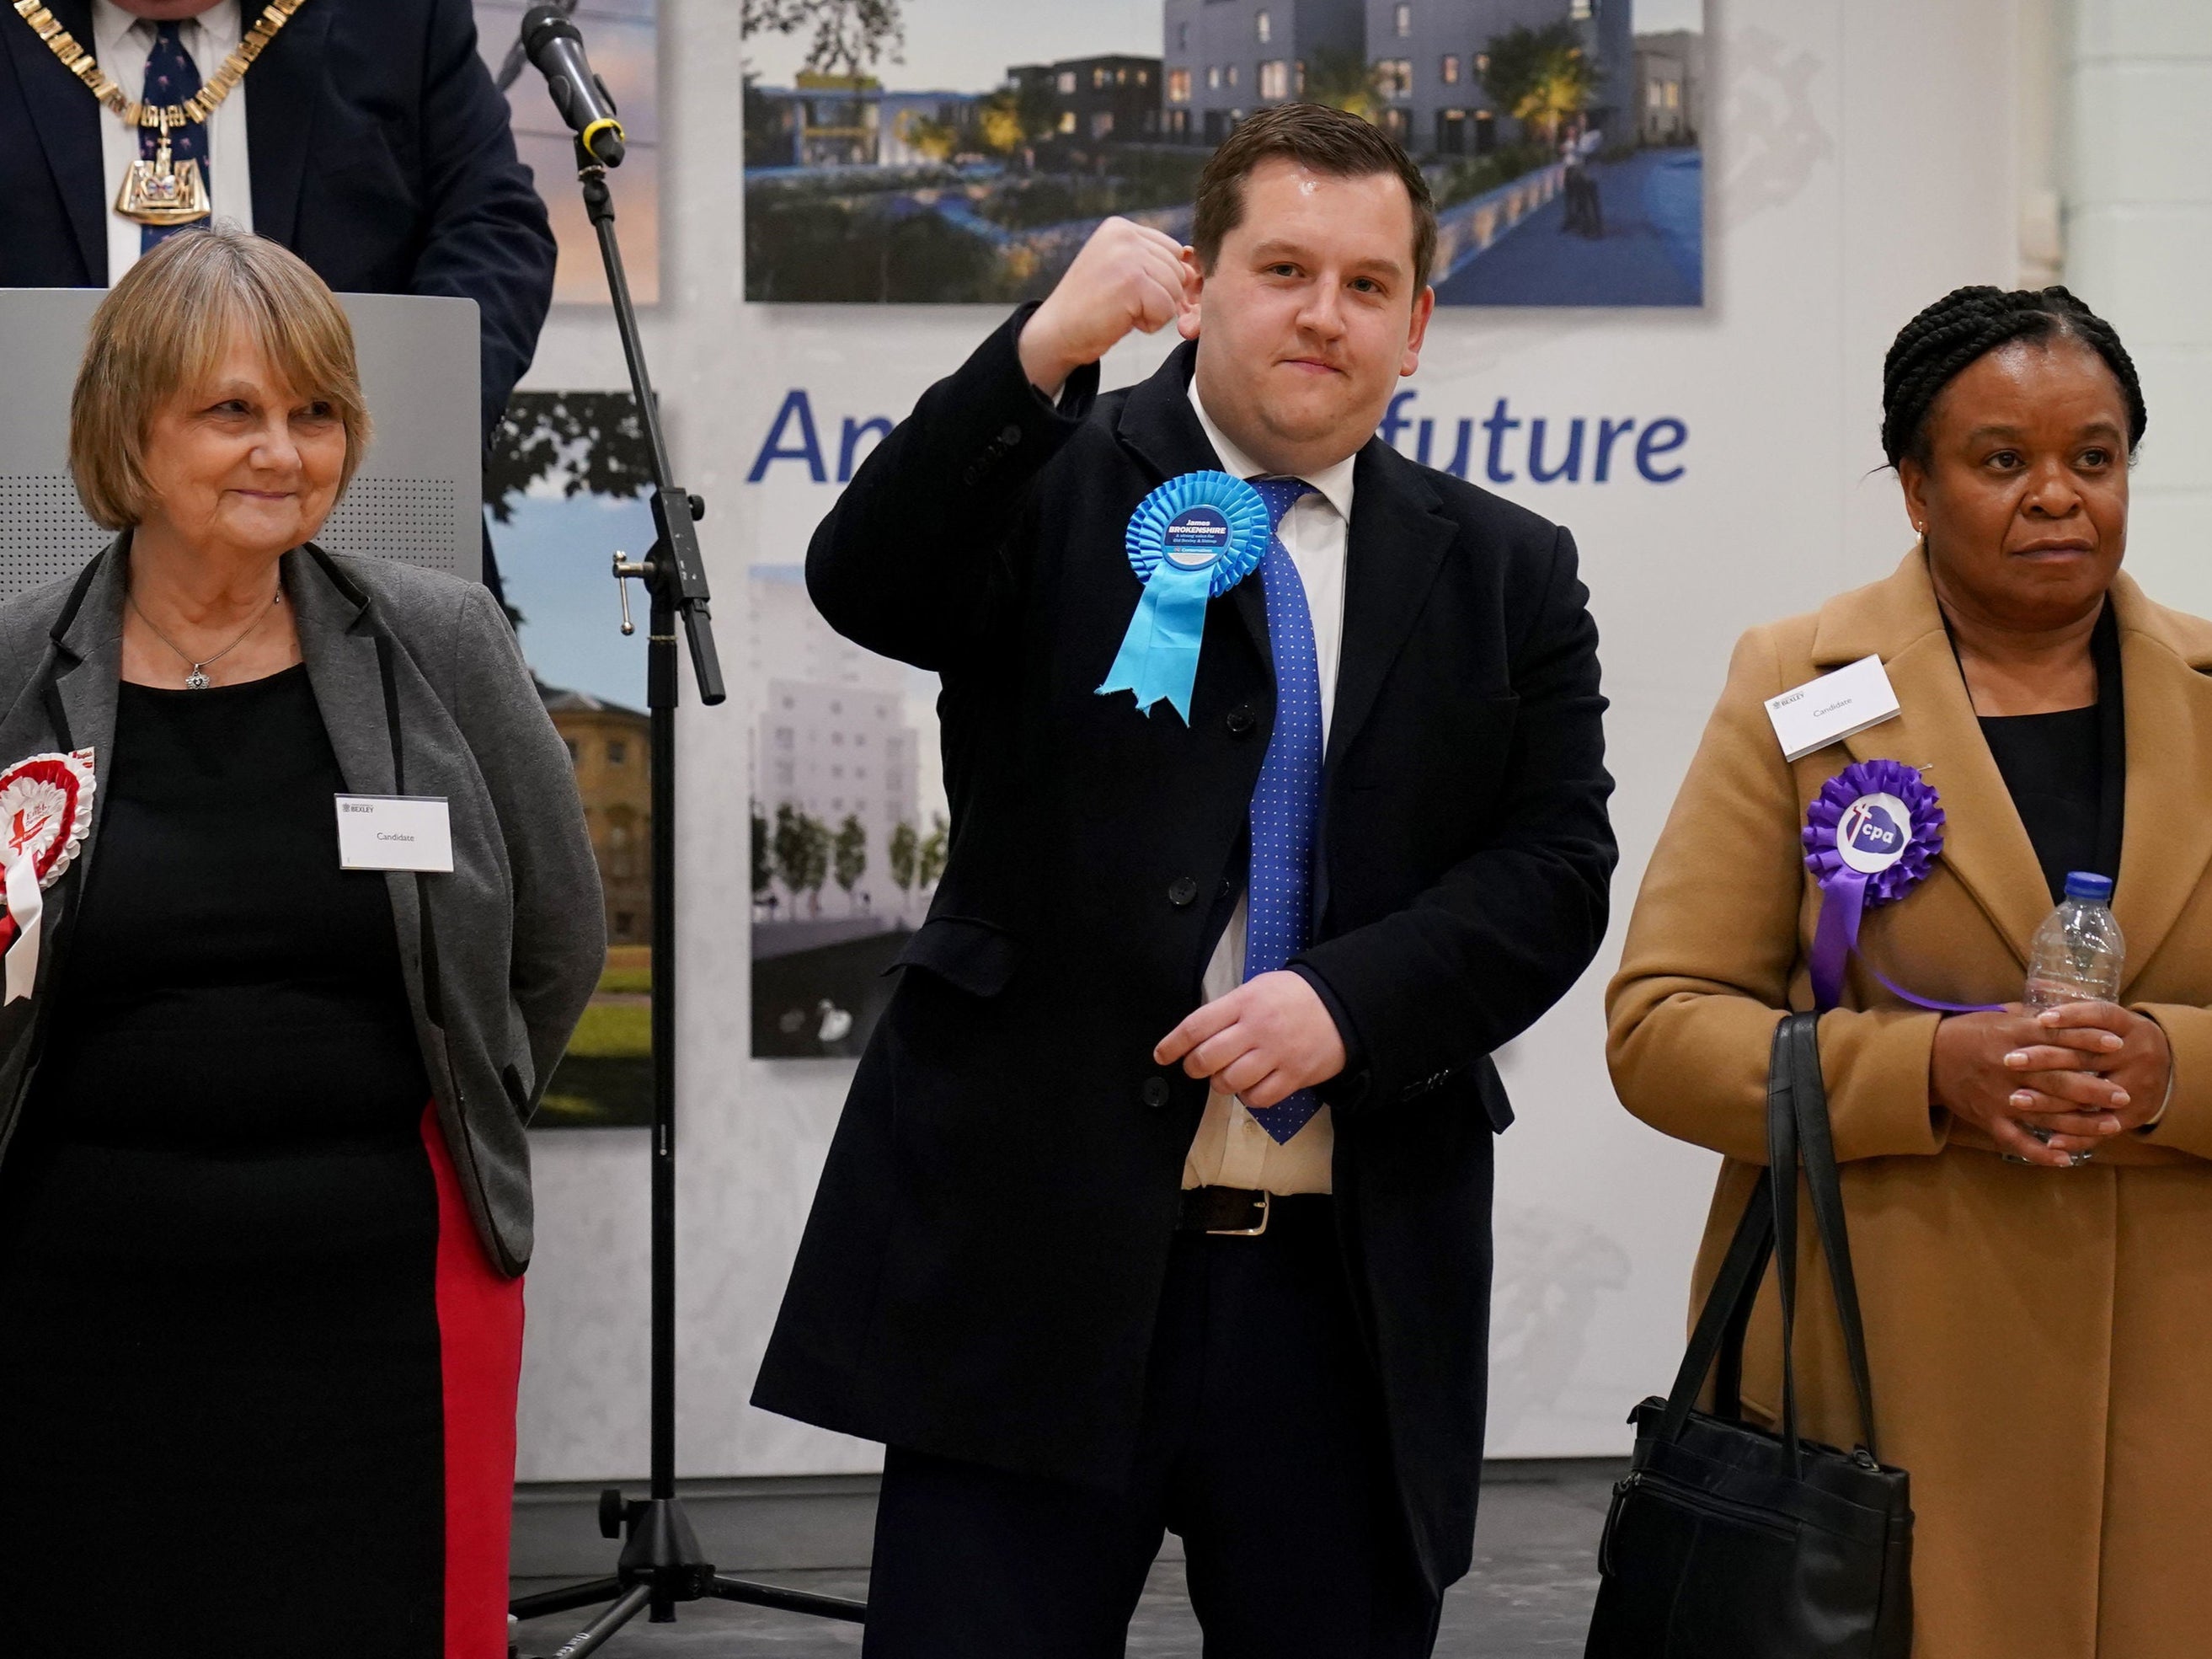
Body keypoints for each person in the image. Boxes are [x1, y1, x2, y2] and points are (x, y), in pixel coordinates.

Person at [755, 103, 1615, 1656]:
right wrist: (1039, 347)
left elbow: (1555, 868)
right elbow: (864, 578)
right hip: (1035, 1259)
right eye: (1283, 266)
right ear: (1196, 285)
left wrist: (1349, 1001)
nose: (1323, 312)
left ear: (1417, 324)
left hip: (1346, 1296)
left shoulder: (1510, 568)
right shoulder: (1054, 478)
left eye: (1367, 284)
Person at [0, 227, 601, 1656]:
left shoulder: (441, 641)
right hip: (72, 1297)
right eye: (233, 409)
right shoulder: (19, 663)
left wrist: (470, 1108)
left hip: (383, 1294)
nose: (285, 449)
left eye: (315, 410)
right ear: (127, 430)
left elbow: (556, 939)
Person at [1608, 285, 2212, 1658]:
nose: (2058, 496)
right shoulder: (1801, 681)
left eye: (2094, 456)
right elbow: (1660, 1025)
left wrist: (2172, 1065)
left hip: (2181, 1410)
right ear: (1914, 485)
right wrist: (1923, 1070)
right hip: (1884, 1389)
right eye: (2004, 460)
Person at [0, 0, 559, 597]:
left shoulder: (400, 17)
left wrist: (411, 426)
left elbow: (497, 227)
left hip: (358, 527)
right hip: (25, 514)